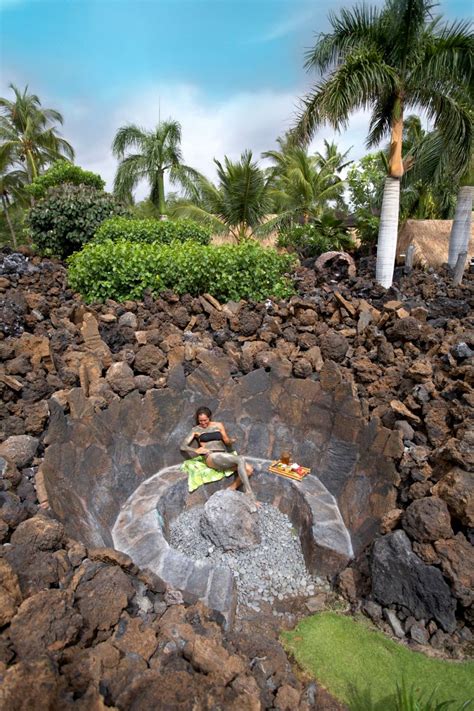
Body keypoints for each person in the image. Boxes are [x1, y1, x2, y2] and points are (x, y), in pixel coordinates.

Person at [180, 406, 260, 509]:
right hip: (211, 457)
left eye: (205, 420)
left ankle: (231, 488)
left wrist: (231, 441)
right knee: (240, 459)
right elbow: (183, 446)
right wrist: (195, 450)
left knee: (249, 469)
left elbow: (226, 441)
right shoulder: (195, 430)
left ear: (210, 418)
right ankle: (250, 495)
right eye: (200, 421)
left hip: (223, 457)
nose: (203, 423)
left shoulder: (218, 425)